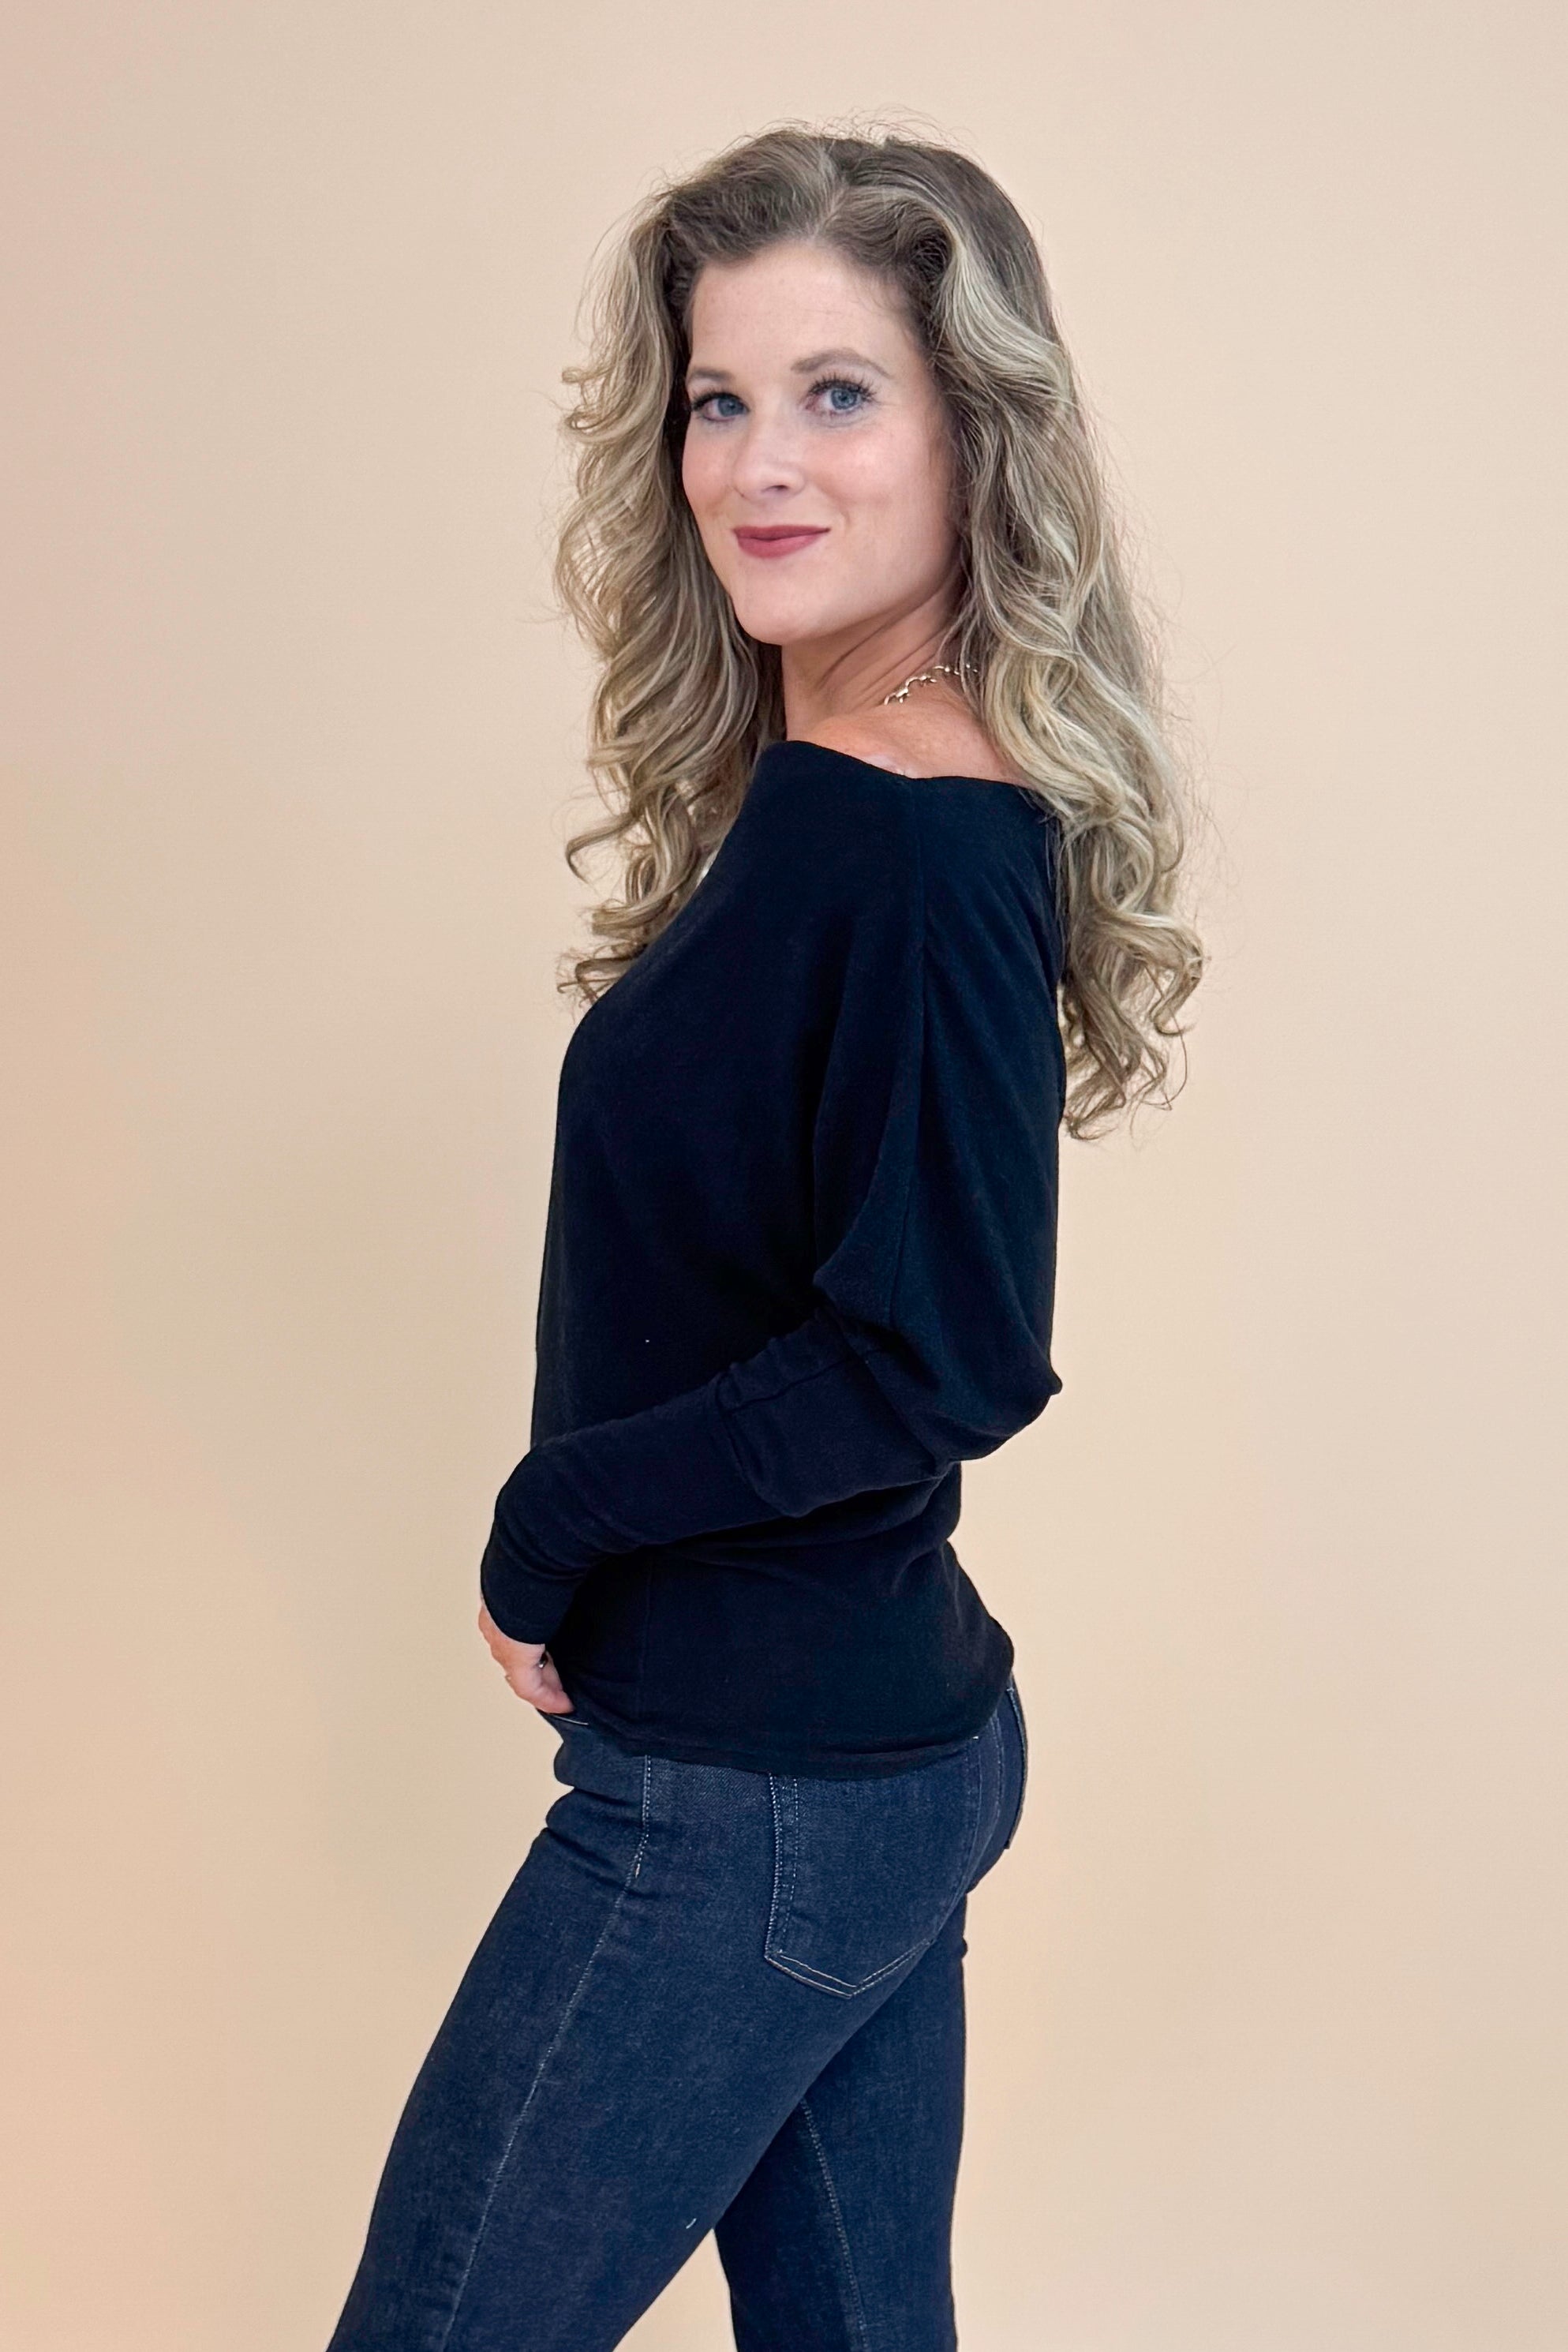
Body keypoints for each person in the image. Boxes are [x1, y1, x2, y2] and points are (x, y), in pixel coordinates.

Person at [325, 122, 1203, 2352]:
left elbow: (937, 1355)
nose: (757, 464)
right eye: (721, 400)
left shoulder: (921, 840)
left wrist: (552, 1519)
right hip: (842, 1753)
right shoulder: (828, 785)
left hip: (753, 1798)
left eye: (837, 394)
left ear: (971, 432)